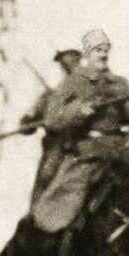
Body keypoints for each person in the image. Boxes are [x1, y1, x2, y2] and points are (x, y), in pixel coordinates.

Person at [31, 29, 129, 256]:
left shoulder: (121, 84)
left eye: (105, 49)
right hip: (87, 153)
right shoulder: (73, 83)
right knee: (63, 203)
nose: (102, 54)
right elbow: (52, 119)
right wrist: (80, 110)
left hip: (121, 151)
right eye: (96, 50)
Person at [20, 49, 83, 205]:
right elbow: (26, 125)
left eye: (71, 59)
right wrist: (30, 120)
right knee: (45, 185)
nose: (66, 64)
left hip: (82, 148)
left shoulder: (91, 90)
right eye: (63, 61)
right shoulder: (51, 96)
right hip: (55, 149)